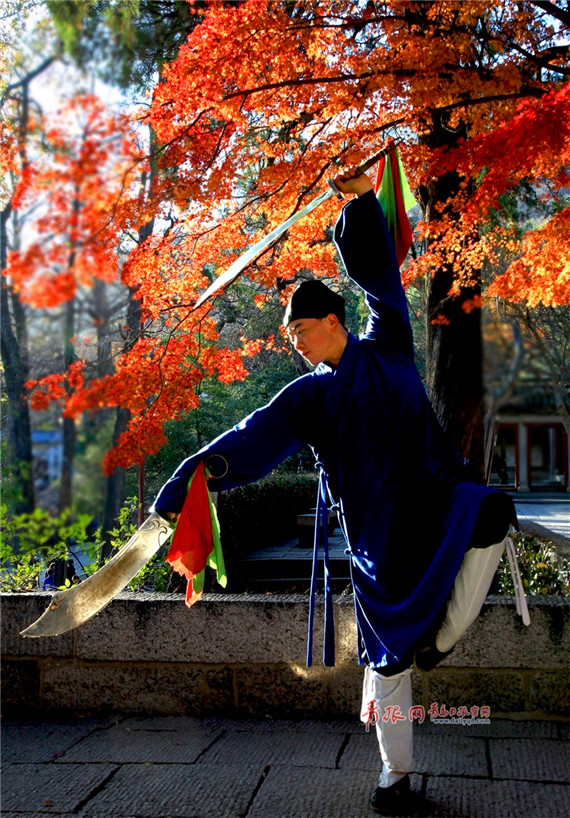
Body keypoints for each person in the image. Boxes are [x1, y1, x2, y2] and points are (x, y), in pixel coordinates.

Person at [153, 169, 518, 814]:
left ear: (330, 321)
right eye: (289, 338)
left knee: (490, 511)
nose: (293, 346)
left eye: (298, 332)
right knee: (388, 660)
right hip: (377, 544)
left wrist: (353, 200)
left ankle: (441, 638)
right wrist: (189, 480)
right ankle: (394, 777)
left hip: (433, 504)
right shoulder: (309, 399)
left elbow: (381, 281)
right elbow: (250, 437)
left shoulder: (391, 346)